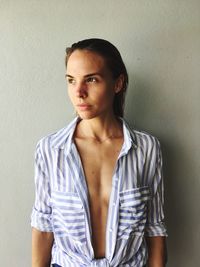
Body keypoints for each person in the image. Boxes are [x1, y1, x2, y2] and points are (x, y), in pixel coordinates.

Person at [31, 38, 167, 267]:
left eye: (91, 79)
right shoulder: (50, 150)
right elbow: (43, 228)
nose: (79, 92)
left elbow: (155, 230)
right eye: (71, 81)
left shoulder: (147, 149)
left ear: (117, 83)